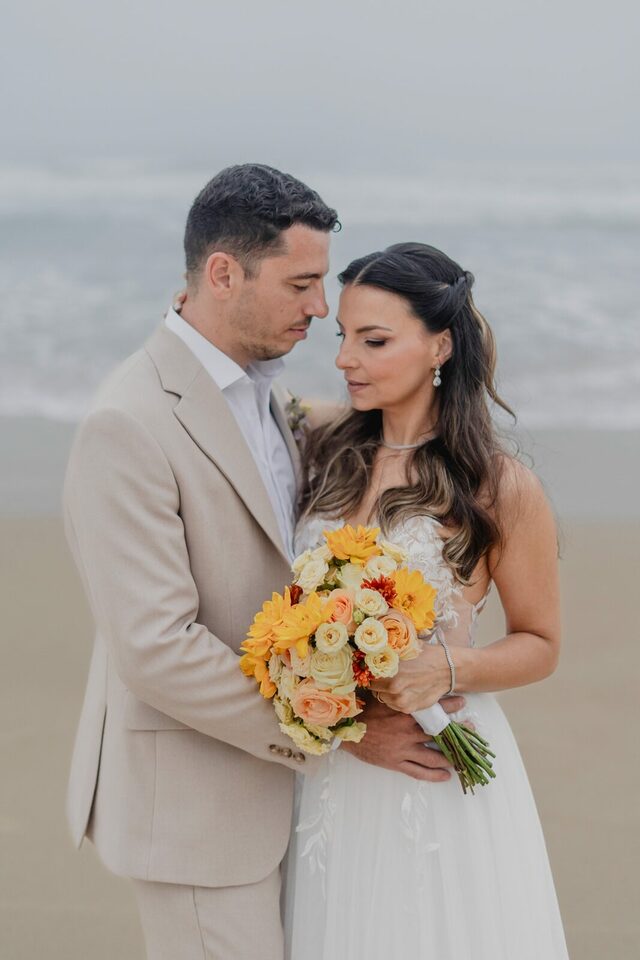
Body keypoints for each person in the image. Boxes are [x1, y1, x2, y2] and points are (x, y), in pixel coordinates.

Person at [63, 168, 464, 960]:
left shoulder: (263, 392)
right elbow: (157, 649)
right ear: (223, 274)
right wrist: (343, 731)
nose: (319, 308)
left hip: (284, 802)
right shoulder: (128, 424)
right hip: (196, 811)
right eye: (301, 284)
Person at [285, 242, 570, 959]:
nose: (345, 358)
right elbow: (245, 401)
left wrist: (445, 667)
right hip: (335, 768)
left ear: (440, 346)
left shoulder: (498, 485)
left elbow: (540, 643)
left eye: (374, 340)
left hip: (436, 760)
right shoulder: (324, 453)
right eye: (342, 336)